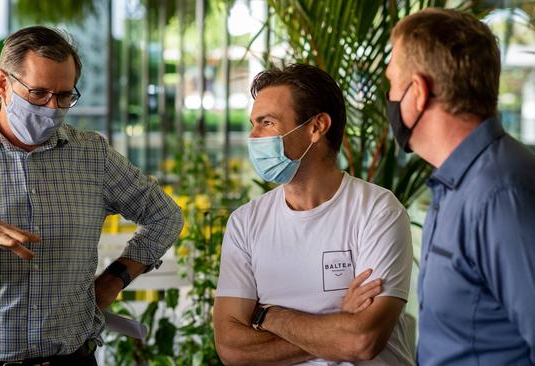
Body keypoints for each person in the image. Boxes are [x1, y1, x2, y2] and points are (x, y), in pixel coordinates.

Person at [0, 26, 183, 365]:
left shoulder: (92, 155)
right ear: (3, 84)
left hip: (73, 357)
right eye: (38, 93)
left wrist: (116, 278)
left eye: (64, 96)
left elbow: (164, 215)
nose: (52, 107)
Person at [213, 64, 415, 365]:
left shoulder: (378, 211)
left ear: (316, 127)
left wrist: (267, 315)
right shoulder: (245, 223)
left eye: (267, 123)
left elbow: (361, 340)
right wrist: (338, 322)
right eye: (253, 124)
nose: (253, 136)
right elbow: (231, 348)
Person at [385, 8, 535, 365]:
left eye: (392, 83)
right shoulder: (459, 181)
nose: (389, 97)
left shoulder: (500, 195)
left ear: (418, 92)